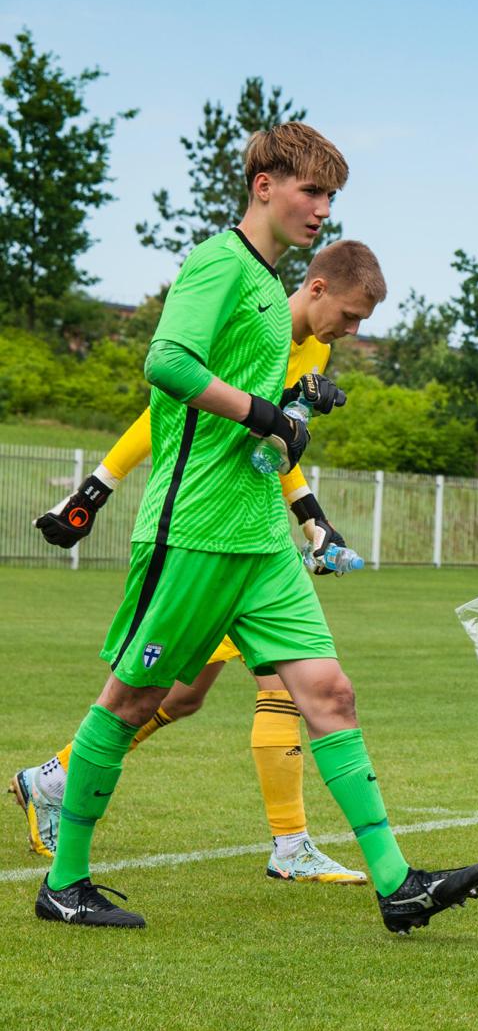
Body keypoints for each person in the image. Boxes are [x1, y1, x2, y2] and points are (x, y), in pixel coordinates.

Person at [32, 123, 478, 931]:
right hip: (196, 530)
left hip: (259, 542)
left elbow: (258, 417)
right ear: (264, 185)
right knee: (133, 701)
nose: (322, 209)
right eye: (311, 192)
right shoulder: (218, 264)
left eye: (330, 197)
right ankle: (64, 881)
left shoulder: (278, 302)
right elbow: (166, 364)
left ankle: (396, 883)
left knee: (329, 693)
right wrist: (267, 414)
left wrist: (292, 447)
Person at [13, 241, 387, 885]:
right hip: (203, 532)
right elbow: (167, 405)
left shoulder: (312, 343)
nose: (351, 335)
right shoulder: (244, 299)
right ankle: (61, 789)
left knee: (283, 689)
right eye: (349, 317)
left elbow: (271, 445)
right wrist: (95, 488)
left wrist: (313, 520)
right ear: (318, 288)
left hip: (256, 536)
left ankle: (310, 850)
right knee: (160, 695)